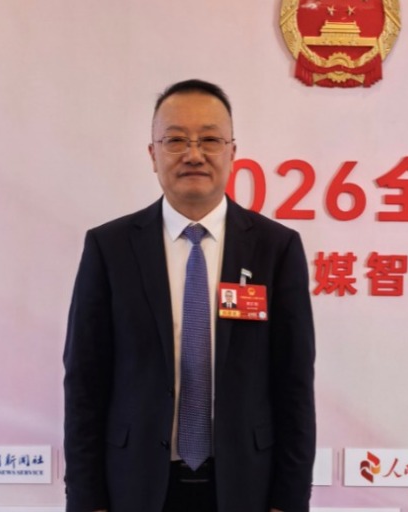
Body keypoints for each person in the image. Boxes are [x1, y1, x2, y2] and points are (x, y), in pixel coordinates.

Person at [63, 79, 316, 512]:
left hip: (245, 487)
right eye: (176, 140)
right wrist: (88, 501)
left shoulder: (276, 248)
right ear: (153, 154)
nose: (194, 154)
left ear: (232, 152)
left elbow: (293, 385)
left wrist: (287, 501)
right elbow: (85, 383)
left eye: (210, 140)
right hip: (135, 486)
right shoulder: (110, 247)